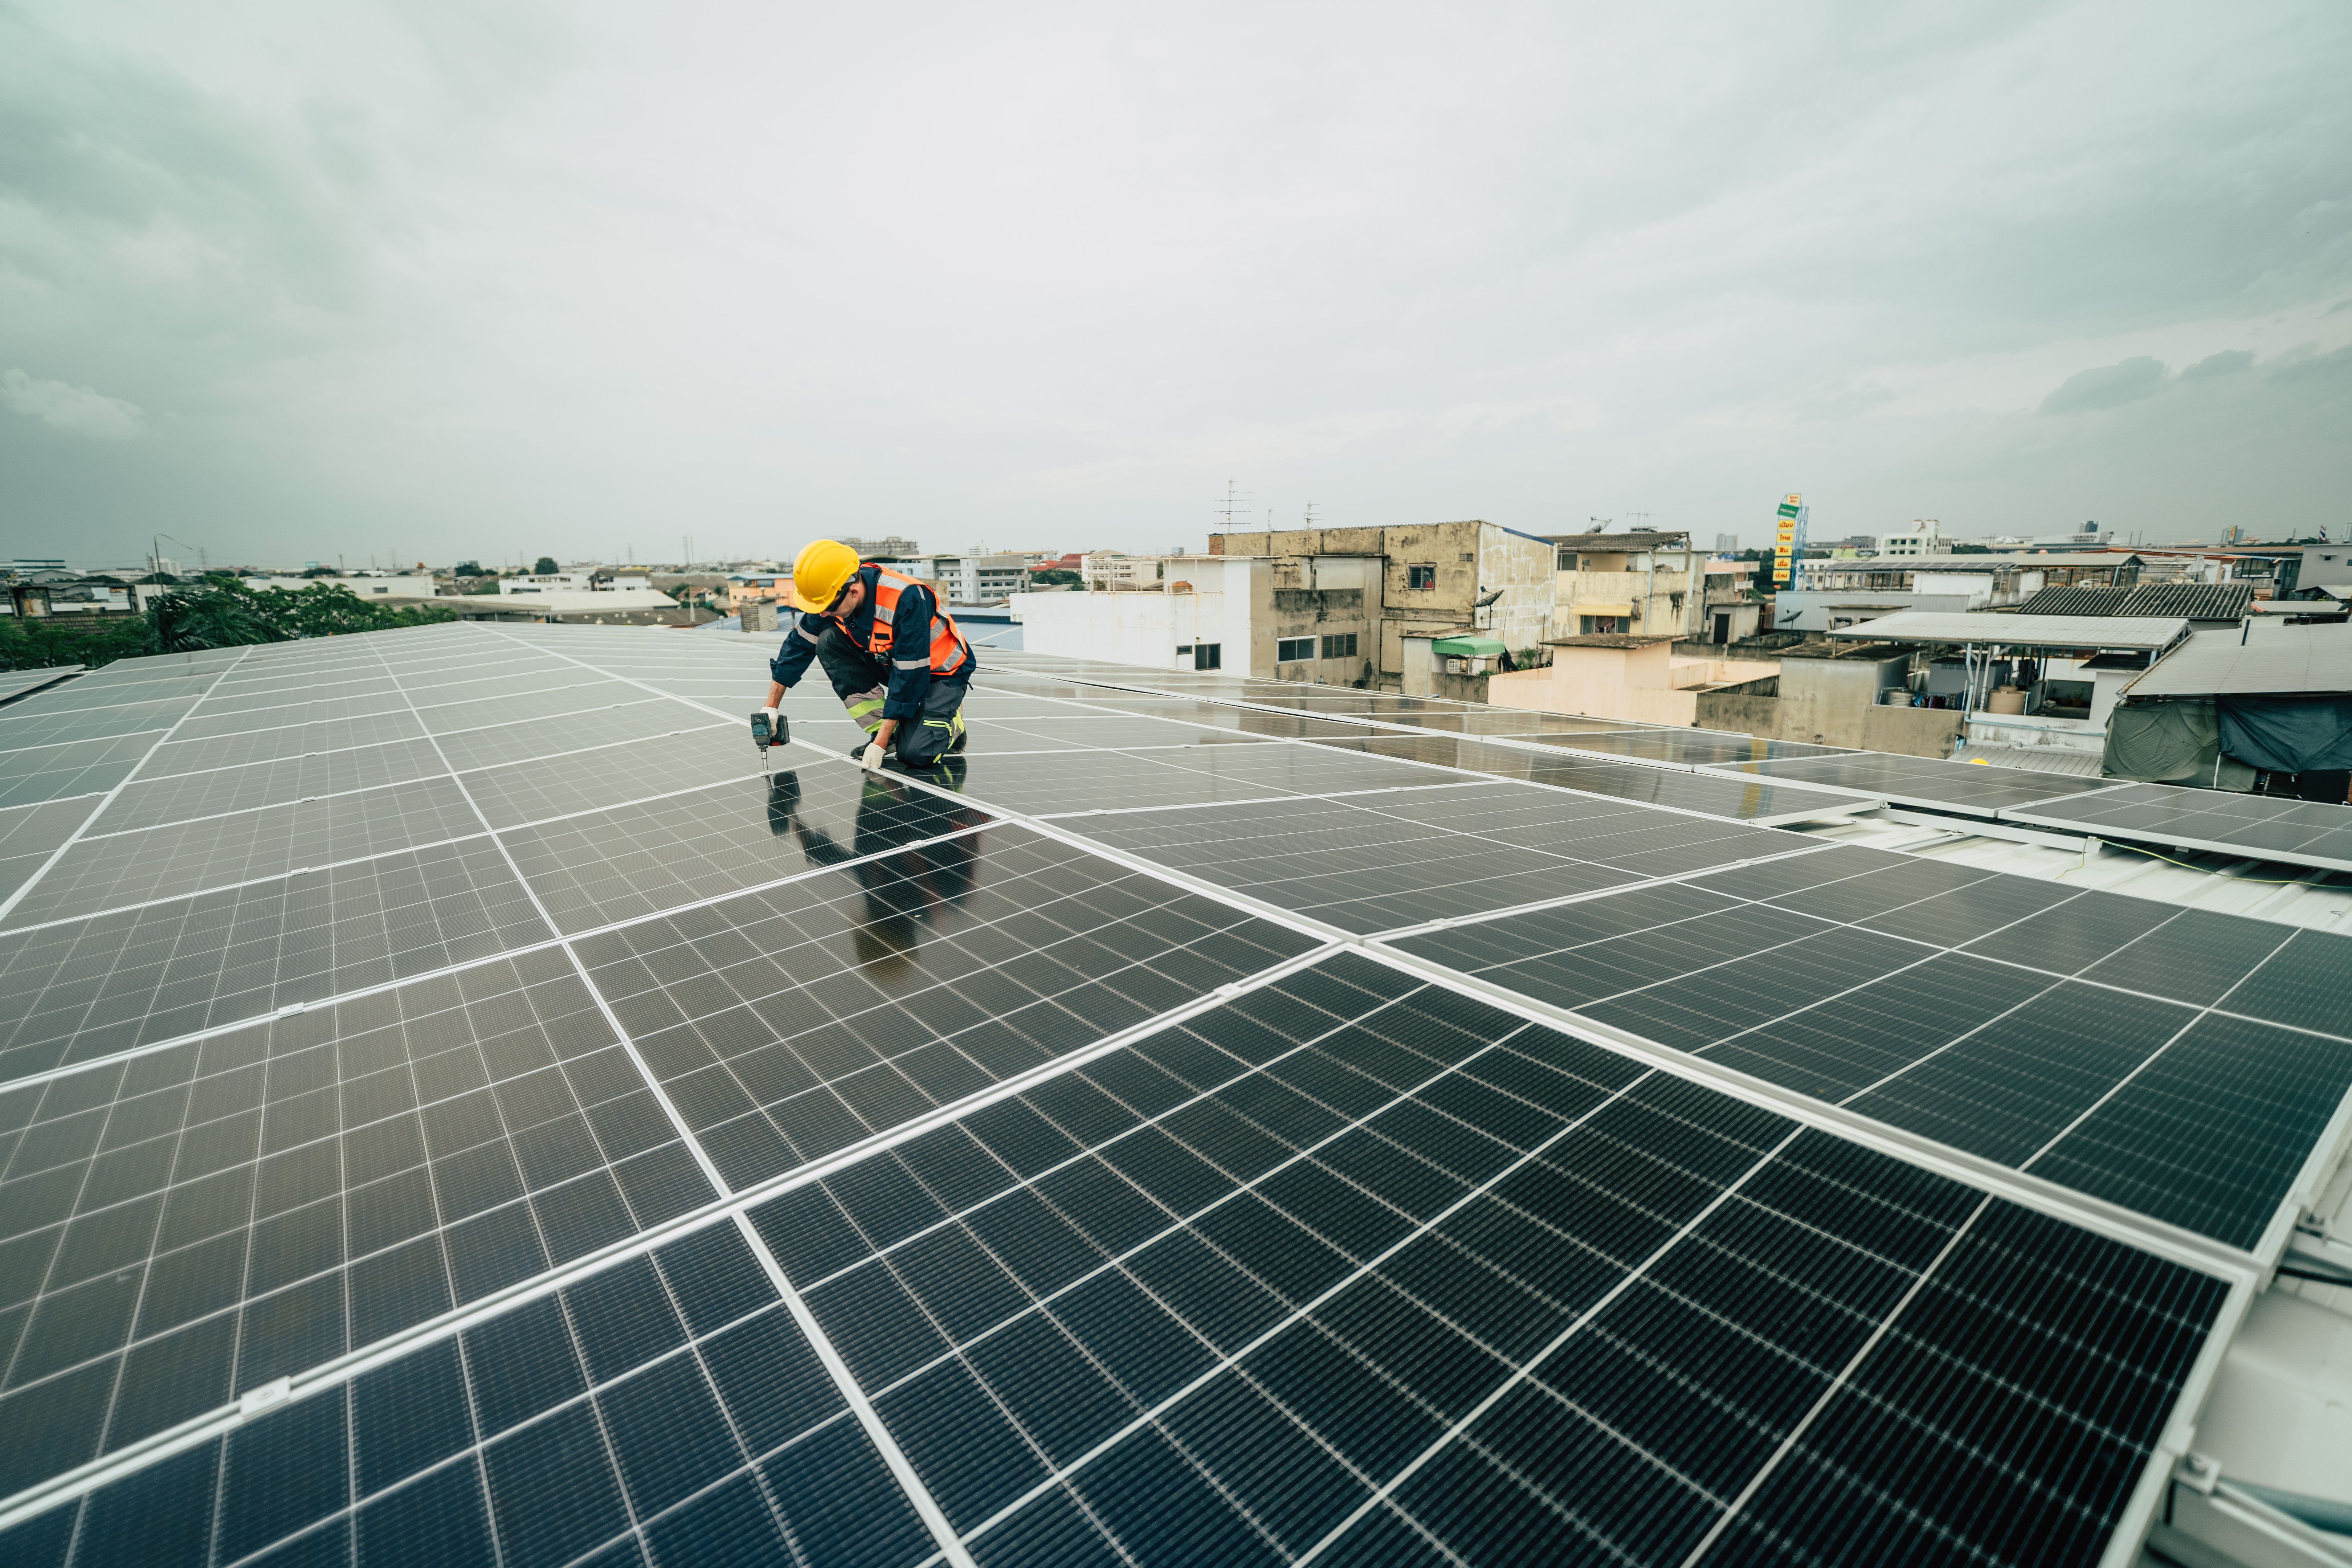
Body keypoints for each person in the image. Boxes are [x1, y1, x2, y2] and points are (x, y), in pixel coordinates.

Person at [761, 540, 974, 771]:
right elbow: (798, 646)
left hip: (941, 674)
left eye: (828, 608)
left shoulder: (907, 599)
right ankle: (889, 733)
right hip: (895, 664)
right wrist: (771, 708)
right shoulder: (834, 594)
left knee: (916, 755)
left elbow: (910, 677)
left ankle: (953, 723)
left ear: (853, 591)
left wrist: (879, 745)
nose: (823, 614)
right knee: (828, 641)